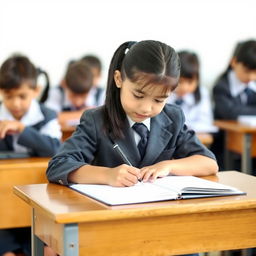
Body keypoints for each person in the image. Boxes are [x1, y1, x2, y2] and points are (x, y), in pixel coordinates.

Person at [46, 40, 218, 256]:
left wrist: (168, 166)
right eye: (138, 95)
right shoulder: (96, 120)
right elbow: (58, 166)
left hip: (163, 225)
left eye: (159, 99)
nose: (146, 108)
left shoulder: (172, 118)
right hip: (111, 226)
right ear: (119, 79)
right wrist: (107, 175)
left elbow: (209, 162)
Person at [0, 54, 61, 256]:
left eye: (22, 96)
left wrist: (22, 129)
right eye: (9, 97)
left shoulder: (47, 116)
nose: (15, 104)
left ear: (35, 91)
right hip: (3, 204)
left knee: (49, 250)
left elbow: (55, 148)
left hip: (37, 204)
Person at [211, 39, 256, 170]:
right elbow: (229, 112)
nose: (252, 77)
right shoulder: (222, 85)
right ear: (234, 62)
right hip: (225, 148)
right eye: (247, 71)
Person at [167, 50, 217, 133]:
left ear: (197, 79)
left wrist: (184, 127)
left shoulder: (202, 94)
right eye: (180, 81)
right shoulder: (164, 93)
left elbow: (206, 123)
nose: (184, 87)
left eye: (190, 82)